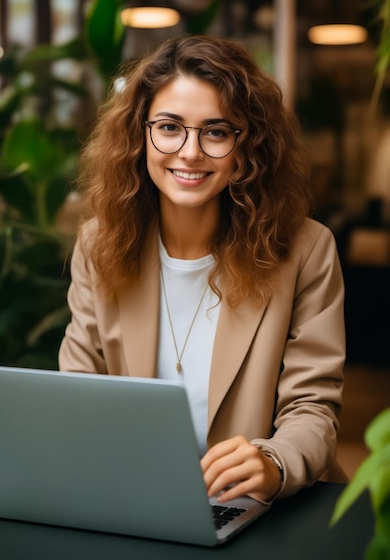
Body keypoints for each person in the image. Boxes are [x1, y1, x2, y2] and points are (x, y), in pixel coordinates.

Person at [59, 34, 346, 505]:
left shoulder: (306, 250)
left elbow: (313, 408)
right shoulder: (99, 245)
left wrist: (274, 462)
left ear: (247, 146)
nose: (190, 152)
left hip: (268, 510)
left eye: (215, 131)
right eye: (170, 127)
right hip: (137, 499)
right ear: (140, 135)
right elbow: (77, 394)